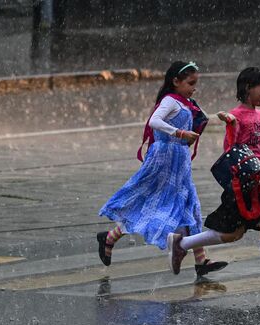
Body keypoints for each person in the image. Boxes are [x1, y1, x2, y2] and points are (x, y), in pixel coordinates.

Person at [167, 67, 260, 300]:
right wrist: (230, 125)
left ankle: (182, 244)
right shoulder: (237, 116)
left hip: (253, 183)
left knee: (233, 233)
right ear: (248, 88)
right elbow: (230, 149)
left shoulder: (259, 116)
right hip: (241, 185)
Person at [97, 61, 227, 278]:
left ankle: (201, 260)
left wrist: (223, 118)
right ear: (175, 81)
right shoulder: (170, 101)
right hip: (164, 160)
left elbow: (198, 120)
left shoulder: (185, 102)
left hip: (179, 162)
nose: (194, 87)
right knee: (152, 207)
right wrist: (178, 133)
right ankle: (109, 237)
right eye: (190, 83)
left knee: (189, 205)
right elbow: (155, 121)